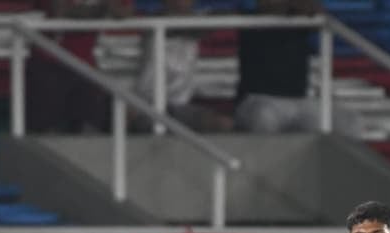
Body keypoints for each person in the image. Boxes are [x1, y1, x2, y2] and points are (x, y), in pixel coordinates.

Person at [233, 0, 362, 135]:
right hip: (258, 99)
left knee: (349, 120)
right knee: (264, 116)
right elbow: (268, 6)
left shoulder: (300, 17)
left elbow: (317, 10)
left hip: (298, 101)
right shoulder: (249, 19)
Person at [27, 0, 131, 133]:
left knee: (90, 127)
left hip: (85, 65)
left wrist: (99, 8)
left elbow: (124, 13)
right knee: (48, 132)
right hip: (50, 61)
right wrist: (102, 8)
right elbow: (61, 11)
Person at [132, 0, 232, 133]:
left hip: (181, 106)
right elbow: (182, 28)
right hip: (148, 105)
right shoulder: (153, 22)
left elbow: (225, 14)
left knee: (224, 124)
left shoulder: (196, 21)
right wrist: (202, 23)